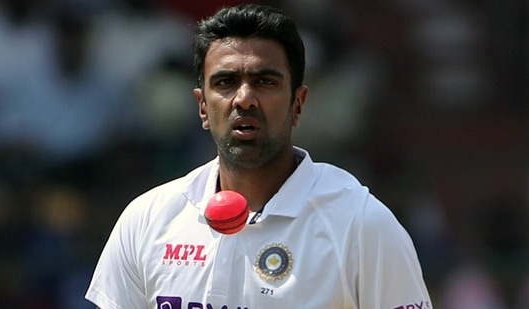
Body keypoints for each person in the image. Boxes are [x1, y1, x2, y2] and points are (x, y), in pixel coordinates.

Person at [85, 4, 433, 308]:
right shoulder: (147, 220)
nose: (245, 99)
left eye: (265, 81)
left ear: (298, 104)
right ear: (202, 108)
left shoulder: (362, 224)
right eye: (225, 82)